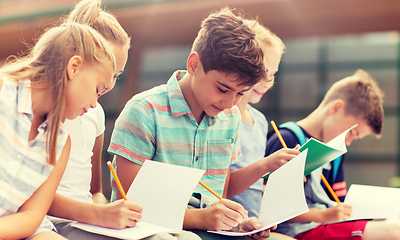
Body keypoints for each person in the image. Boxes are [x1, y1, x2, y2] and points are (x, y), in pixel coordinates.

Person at [108, 7, 297, 239]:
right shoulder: (145, 111)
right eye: (223, 89)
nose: (230, 103)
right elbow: (132, 202)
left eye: (240, 93)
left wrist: (238, 224)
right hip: (152, 231)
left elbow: (221, 190)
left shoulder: (230, 117)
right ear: (194, 65)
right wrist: (201, 218)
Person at [45, 1, 200, 240]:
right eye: (105, 73)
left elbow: (95, 190)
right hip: (57, 222)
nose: (108, 85)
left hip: (89, 219)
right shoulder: (45, 114)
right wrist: (97, 214)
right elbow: (36, 196)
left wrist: (106, 210)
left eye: (116, 75)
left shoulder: (94, 113)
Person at [0, 22, 116, 239]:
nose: (94, 105)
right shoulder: (3, 91)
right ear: (74, 67)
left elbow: (31, 217)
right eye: (97, 90)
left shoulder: (61, 143)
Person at [265, 69, 400, 239]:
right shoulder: (286, 138)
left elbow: (337, 200)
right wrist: (324, 216)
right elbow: (267, 203)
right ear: (336, 108)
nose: (349, 142)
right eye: (352, 132)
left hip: (326, 224)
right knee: (394, 231)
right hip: (297, 230)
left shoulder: (335, 150)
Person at [227, 21, 296, 240]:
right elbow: (224, 183)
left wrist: (280, 179)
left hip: (256, 224)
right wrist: (266, 164)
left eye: (273, 74)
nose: (267, 81)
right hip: (231, 225)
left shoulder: (260, 120)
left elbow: (254, 185)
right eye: (263, 72)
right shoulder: (223, 115)